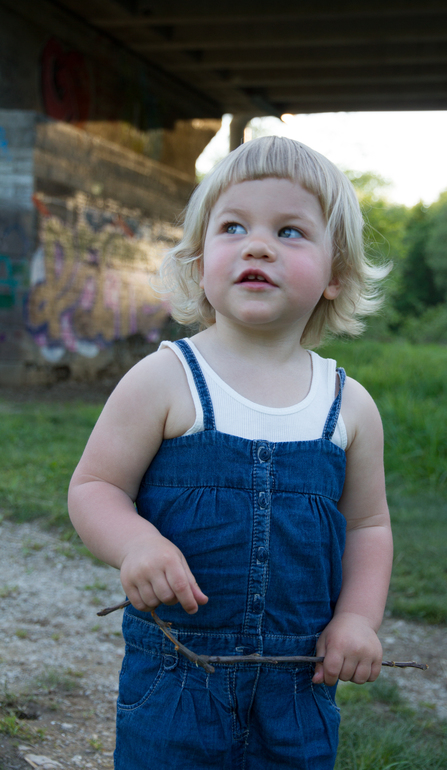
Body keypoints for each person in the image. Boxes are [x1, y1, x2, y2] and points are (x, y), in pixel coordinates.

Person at [68, 136, 393, 769]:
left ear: (336, 275)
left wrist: (358, 618)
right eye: (234, 227)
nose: (258, 246)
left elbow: (367, 525)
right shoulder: (166, 380)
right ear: (198, 263)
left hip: (298, 688)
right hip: (176, 684)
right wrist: (136, 544)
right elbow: (95, 487)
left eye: (290, 231)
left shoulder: (348, 406)